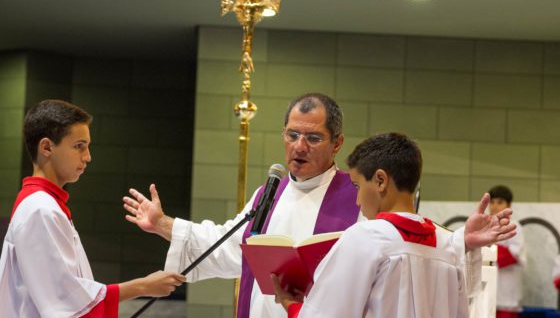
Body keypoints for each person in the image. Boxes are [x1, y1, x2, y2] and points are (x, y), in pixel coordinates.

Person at [123, 93, 516, 318]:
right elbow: (229, 246)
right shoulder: (269, 192)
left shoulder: (358, 192)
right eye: (292, 135)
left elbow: (405, 254)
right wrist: (164, 224)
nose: (298, 146)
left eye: (312, 138)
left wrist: (463, 240)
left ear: (337, 143)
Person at [272, 133, 517, 318]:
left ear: (380, 180)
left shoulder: (365, 239)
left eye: (357, 186)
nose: (357, 200)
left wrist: (291, 305)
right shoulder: (446, 245)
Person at [0, 100, 185, 318]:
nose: (88, 157)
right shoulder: (41, 209)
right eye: (79, 146)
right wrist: (143, 286)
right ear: (47, 147)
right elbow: (64, 304)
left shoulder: (43, 204)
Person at [488, 185, 526, 318]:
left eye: (499, 202)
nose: (494, 206)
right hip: (487, 289)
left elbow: (513, 254)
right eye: (492, 202)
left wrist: (490, 246)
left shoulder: (514, 227)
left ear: (509, 205)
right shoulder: (483, 225)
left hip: (506, 290)